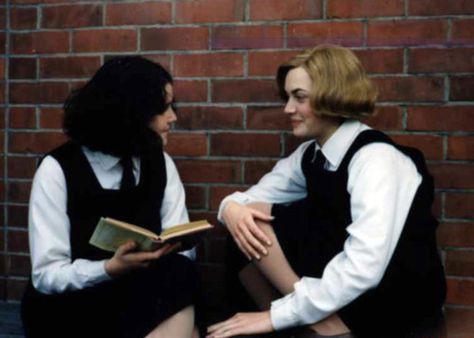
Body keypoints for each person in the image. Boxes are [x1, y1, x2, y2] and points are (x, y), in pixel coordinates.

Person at [207, 46, 446, 338]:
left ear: (332, 95)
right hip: (339, 287)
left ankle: (307, 318)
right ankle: (312, 319)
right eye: (288, 97)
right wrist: (230, 209)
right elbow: (250, 199)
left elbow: (364, 265)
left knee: (256, 223)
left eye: (300, 97)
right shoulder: (311, 153)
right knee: (247, 220)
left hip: (394, 295)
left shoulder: (376, 158)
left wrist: (277, 315)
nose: (287, 109)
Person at [21, 56, 202, 338]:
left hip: (138, 294)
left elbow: (181, 246)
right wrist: (108, 269)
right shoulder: (58, 169)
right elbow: (47, 275)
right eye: (163, 108)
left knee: (181, 272)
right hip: (74, 304)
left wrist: (165, 250)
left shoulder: (160, 163)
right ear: (132, 113)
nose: (173, 118)